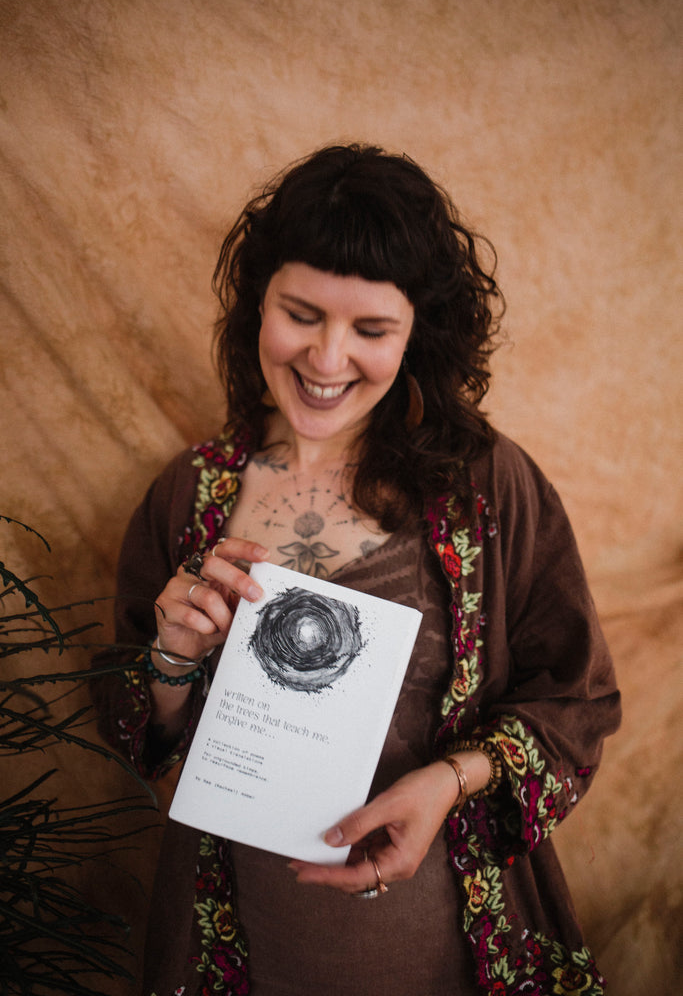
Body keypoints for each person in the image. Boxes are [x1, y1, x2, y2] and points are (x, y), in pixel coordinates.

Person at [92, 143, 621, 996]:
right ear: (255, 305)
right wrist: (171, 658)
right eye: (300, 314)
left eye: (370, 330)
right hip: (238, 951)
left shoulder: (486, 488)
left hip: (449, 949)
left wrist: (449, 781)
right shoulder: (186, 496)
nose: (327, 360)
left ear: (416, 337)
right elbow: (139, 736)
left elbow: (578, 701)